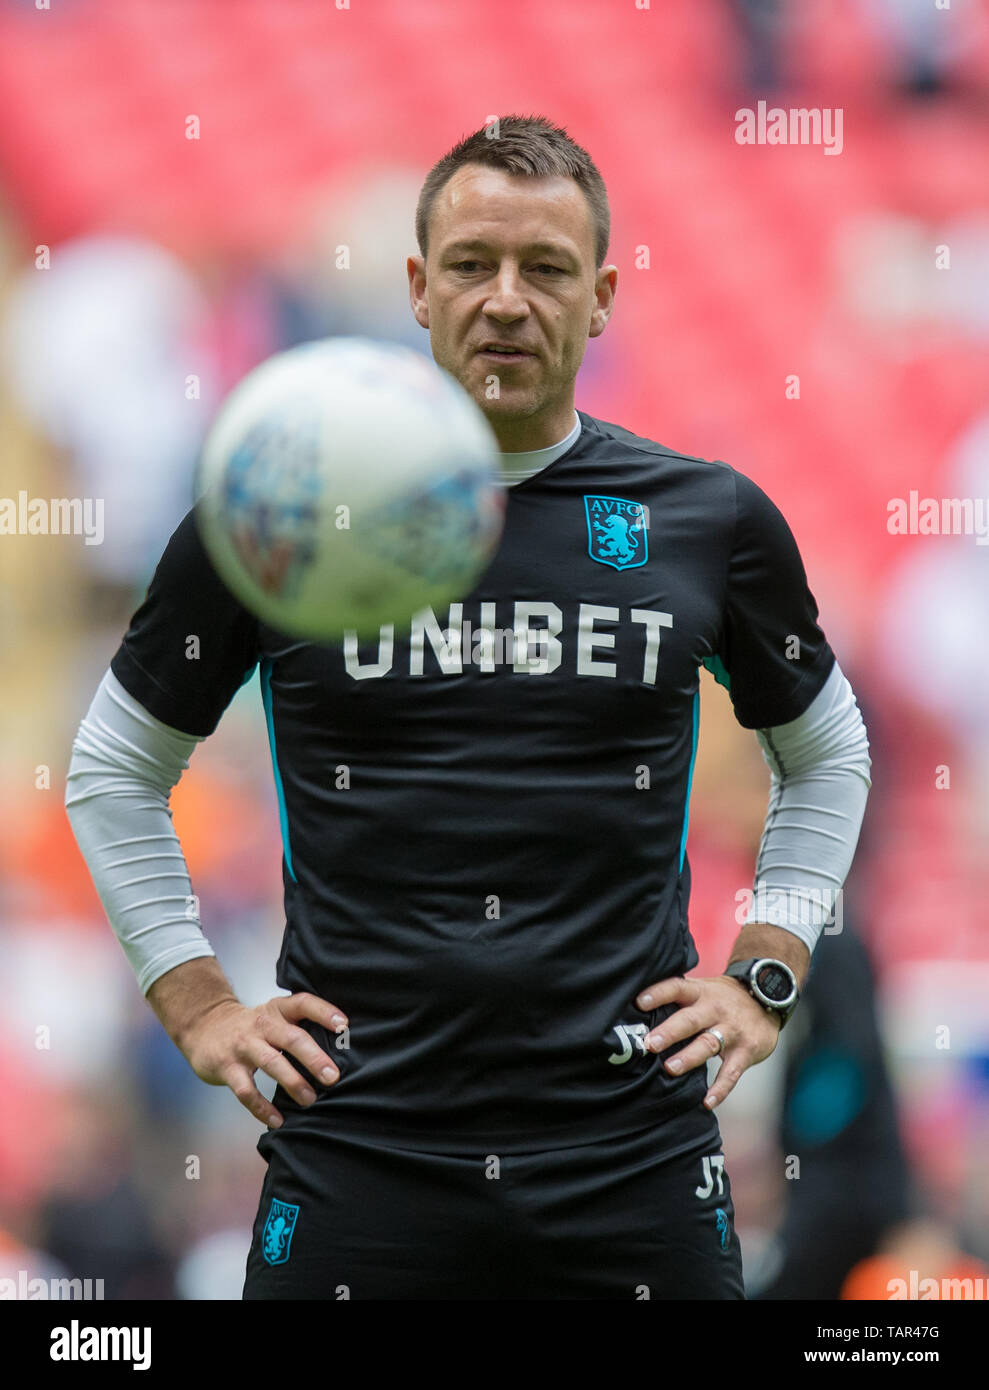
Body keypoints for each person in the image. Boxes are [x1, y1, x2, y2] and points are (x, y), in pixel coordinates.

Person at [66, 115, 872, 1300]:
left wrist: (763, 972)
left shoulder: (705, 521)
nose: (505, 299)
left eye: (544, 269)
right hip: (358, 1149)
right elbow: (112, 767)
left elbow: (827, 750)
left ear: (598, 298)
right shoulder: (279, 503)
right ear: (416, 286)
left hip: (629, 1156)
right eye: (470, 264)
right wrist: (194, 1000)